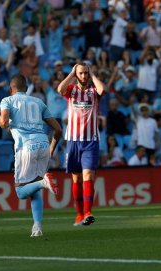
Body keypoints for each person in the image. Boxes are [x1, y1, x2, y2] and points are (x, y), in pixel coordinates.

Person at [0, 74, 62, 237]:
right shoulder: (38, 102)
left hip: (26, 147)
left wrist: (4, 122)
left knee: (21, 192)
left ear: (10, 89)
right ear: (26, 89)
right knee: (34, 190)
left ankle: (44, 182)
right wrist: (51, 148)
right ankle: (37, 226)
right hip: (43, 145)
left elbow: (4, 121)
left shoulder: (7, 100)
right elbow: (58, 129)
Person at [56, 62, 105, 226]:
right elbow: (60, 89)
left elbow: (102, 89)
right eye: (81, 73)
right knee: (76, 178)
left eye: (85, 73)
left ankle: (88, 212)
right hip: (73, 141)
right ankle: (79, 214)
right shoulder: (71, 91)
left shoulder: (93, 92)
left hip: (90, 141)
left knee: (88, 175)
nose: (83, 76)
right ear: (77, 75)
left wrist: (92, 74)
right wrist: (71, 73)